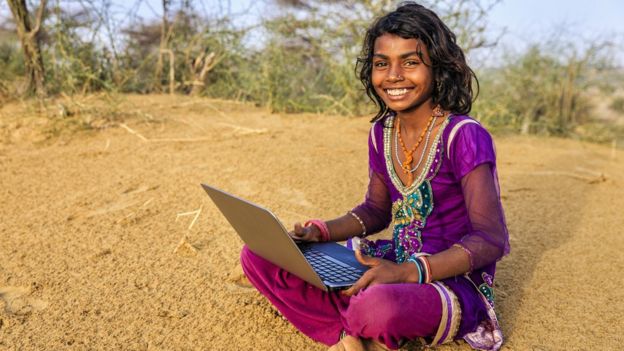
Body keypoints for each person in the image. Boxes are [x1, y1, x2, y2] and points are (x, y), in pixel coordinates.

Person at [240, 2, 510, 350]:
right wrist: (319, 231)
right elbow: (375, 211)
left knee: (379, 305)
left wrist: (408, 273)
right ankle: (352, 330)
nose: (394, 75)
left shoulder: (465, 136)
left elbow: (490, 239)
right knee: (258, 253)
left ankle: (350, 324)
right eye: (382, 64)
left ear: (439, 67)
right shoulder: (381, 133)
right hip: (392, 260)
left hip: (448, 278)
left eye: (410, 62)